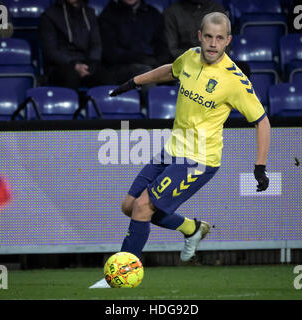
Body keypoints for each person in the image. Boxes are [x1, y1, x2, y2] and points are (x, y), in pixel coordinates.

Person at [90, 12, 271, 288]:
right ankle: (192, 228)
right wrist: (135, 82)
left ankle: (121, 276)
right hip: (172, 150)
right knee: (129, 206)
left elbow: (262, 122)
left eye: (219, 38)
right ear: (199, 36)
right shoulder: (190, 56)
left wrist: (260, 166)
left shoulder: (234, 80)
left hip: (199, 159)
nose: (213, 43)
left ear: (228, 41)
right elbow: (170, 69)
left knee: (142, 208)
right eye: (208, 36)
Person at [163, 0, 250, 77]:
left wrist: (212, 62)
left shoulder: (216, 8)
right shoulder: (172, 12)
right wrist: (199, 59)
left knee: (242, 69)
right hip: (187, 64)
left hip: (216, 62)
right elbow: (172, 50)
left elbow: (226, 45)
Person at [98, 0, 170, 85]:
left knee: (176, 74)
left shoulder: (153, 14)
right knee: (146, 73)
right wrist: (142, 59)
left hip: (152, 64)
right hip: (119, 68)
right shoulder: (108, 14)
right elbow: (111, 54)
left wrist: (158, 63)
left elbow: (162, 47)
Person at [39, 0, 105, 91]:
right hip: (60, 66)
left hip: (86, 63)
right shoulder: (49, 15)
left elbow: (96, 44)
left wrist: (92, 63)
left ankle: (98, 105)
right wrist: (74, 65)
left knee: (104, 74)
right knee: (71, 76)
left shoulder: (89, 13)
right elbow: (50, 51)